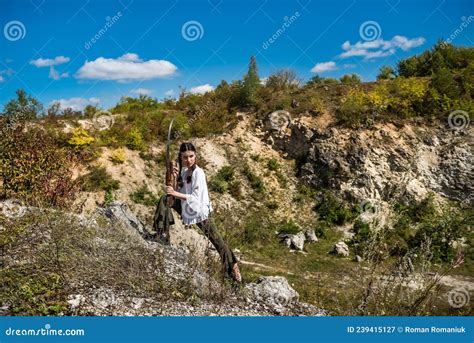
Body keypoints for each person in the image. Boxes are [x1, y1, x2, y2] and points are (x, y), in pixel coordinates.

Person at [166, 142, 242, 283]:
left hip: (201, 213)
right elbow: (179, 194)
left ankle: (233, 267)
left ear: (196, 156)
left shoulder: (198, 173)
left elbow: (194, 198)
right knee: (165, 200)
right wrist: (175, 179)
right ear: (181, 158)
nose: (188, 160)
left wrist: (174, 192)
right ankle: (162, 232)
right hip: (191, 211)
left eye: (191, 156)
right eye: (185, 157)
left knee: (218, 242)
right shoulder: (184, 172)